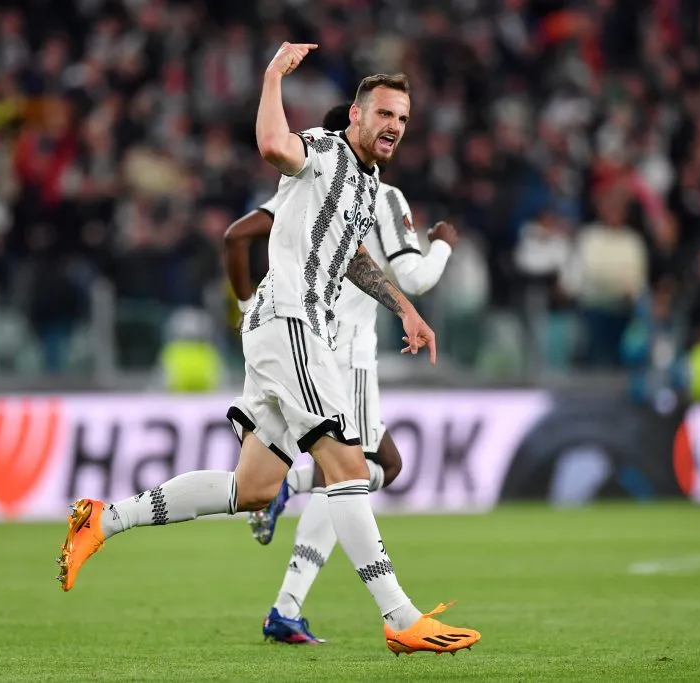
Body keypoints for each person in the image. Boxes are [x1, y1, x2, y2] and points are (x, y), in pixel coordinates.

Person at [56, 42, 480, 655]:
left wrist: (407, 309)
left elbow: (354, 259)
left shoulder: (367, 185)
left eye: (403, 118)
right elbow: (272, 147)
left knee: (252, 488)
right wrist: (273, 76)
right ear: (356, 116)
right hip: (290, 324)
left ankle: (102, 519)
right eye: (384, 114)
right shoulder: (327, 150)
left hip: (282, 327)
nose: (394, 126)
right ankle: (400, 615)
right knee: (349, 466)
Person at [224, 103, 459, 644]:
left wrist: (246, 306)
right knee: (359, 471)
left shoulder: (305, 185)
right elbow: (417, 277)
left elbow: (237, 234)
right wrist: (444, 241)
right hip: (341, 352)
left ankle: (288, 598)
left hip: (310, 341)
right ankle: (313, 602)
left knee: (369, 468)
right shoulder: (375, 192)